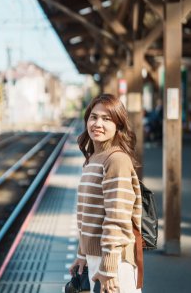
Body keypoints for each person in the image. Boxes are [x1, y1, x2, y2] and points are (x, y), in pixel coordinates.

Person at [69, 94, 143, 293]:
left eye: (106, 118)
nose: (97, 123)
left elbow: (117, 217)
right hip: (97, 258)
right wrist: (82, 255)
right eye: (93, 117)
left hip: (114, 260)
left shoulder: (116, 160)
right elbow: (87, 215)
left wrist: (109, 268)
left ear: (118, 125)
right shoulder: (94, 158)